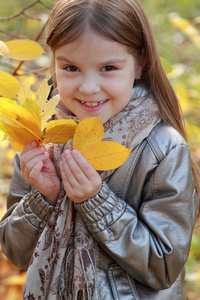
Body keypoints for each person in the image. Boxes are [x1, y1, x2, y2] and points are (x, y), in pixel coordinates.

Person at [0, 0, 199, 299]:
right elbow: (15, 253)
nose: (89, 87)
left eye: (108, 68)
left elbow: (164, 267)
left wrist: (97, 203)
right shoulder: (40, 138)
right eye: (71, 68)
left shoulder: (164, 150)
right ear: (53, 62)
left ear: (140, 63)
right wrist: (43, 199)